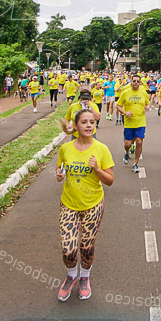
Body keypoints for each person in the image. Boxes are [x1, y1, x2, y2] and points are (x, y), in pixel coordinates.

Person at [55, 111, 115, 301]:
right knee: (68, 249)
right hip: (69, 204)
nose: (89, 125)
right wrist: (59, 176)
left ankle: (84, 277)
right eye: (84, 122)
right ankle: (71, 274)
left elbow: (110, 180)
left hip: (93, 204)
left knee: (86, 246)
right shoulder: (65, 149)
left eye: (92, 122)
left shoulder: (101, 149)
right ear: (76, 125)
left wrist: (97, 169)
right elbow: (60, 170)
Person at [116, 74, 151, 173]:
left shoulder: (143, 93)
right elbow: (118, 106)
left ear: (140, 82)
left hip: (140, 121)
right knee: (128, 144)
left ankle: (135, 163)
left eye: (137, 81)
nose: (135, 83)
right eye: (134, 81)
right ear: (131, 82)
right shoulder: (125, 92)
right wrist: (125, 113)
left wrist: (147, 107)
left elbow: (147, 103)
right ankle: (126, 153)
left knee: (139, 141)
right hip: (129, 122)